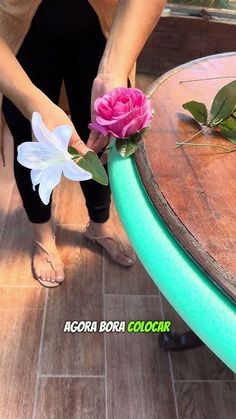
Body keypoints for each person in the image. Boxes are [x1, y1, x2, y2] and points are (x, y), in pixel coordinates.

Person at [0, 0, 166, 287]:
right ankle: (42, 235)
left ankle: (99, 223)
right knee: (30, 144)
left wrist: (113, 69)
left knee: (104, 137)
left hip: (101, 27)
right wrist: (31, 100)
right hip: (19, 37)